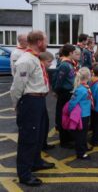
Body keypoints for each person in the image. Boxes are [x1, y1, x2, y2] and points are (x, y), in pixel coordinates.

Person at [10, 30, 55, 187]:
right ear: (39, 42)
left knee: (39, 133)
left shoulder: (35, 58)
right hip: (30, 101)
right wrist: (17, 105)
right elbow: (17, 87)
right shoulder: (26, 60)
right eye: (46, 41)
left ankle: (36, 162)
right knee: (28, 138)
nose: (48, 44)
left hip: (39, 100)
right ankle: (24, 174)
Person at [52, 44, 78, 149]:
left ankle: (68, 138)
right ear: (70, 53)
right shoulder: (64, 65)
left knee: (68, 116)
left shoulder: (69, 64)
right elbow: (59, 80)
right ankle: (64, 140)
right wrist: (56, 91)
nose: (76, 54)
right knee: (63, 117)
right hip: (65, 93)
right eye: (75, 52)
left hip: (69, 93)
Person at [68, 67, 93, 159]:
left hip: (86, 114)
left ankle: (84, 147)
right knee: (81, 134)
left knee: (84, 133)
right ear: (88, 77)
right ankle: (81, 153)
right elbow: (72, 102)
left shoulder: (85, 87)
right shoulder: (81, 90)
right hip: (81, 116)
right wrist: (70, 112)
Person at [39, 51, 56, 151]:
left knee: (45, 122)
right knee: (40, 124)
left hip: (42, 97)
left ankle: (43, 143)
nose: (50, 64)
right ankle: (40, 145)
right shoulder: (38, 70)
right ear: (42, 61)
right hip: (36, 98)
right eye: (49, 62)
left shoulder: (44, 69)